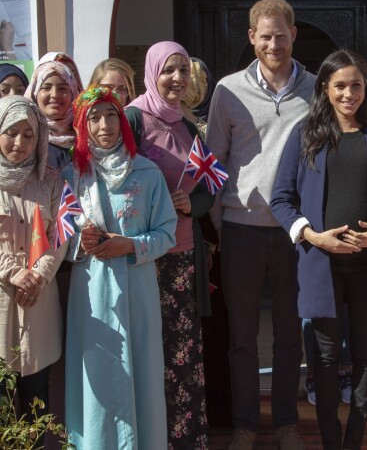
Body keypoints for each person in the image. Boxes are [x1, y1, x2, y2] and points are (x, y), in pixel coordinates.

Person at [271, 49, 367, 450]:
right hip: (321, 264)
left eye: (356, 85)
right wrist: (313, 236)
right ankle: (331, 441)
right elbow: (281, 199)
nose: (349, 93)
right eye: (340, 85)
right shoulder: (305, 134)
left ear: (366, 90)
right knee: (327, 359)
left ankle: (355, 440)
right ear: (325, 89)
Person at [206, 0, 315, 450]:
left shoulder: (316, 88)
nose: (274, 43)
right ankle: (247, 425)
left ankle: (287, 422)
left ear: (294, 34)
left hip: (296, 233)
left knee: (291, 335)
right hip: (241, 230)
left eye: (281, 34)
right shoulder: (227, 91)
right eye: (265, 36)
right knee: (242, 339)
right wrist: (216, 230)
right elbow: (214, 162)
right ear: (251, 38)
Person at [64, 86, 177, 450]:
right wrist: (78, 245)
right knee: (95, 375)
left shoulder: (147, 173)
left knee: (140, 371)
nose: (103, 125)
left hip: (138, 294)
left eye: (111, 115)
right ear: (82, 126)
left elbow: (166, 233)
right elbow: (56, 238)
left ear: (122, 121)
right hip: (92, 298)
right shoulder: (71, 178)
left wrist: (129, 245)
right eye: (93, 118)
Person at [125, 41, 214, 450]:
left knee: (182, 355)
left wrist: (189, 202)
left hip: (181, 257)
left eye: (183, 71)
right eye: (168, 71)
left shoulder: (189, 127)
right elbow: (116, 176)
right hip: (143, 258)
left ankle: (184, 439)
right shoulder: (132, 120)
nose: (177, 79)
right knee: (145, 351)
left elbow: (209, 187)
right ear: (152, 72)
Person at [0, 96, 64, 430]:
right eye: (11, 132)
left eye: (29, 135)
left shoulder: (51, 181)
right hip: (4, 304)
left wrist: (37, 275)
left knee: (36, 399)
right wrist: (14, 272)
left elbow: (61, 235)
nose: (19, 142)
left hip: (38, 305)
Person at [24, 53, 83, 170]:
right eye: (46, 87)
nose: (55, 95)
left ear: (72, 93)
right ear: (35, 93)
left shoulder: (86, 130)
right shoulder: (26, 133)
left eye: (63, 88)